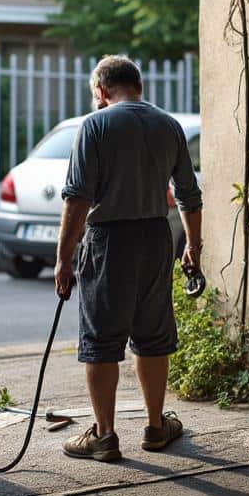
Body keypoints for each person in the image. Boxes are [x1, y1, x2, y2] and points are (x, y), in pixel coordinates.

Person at [54, 55, 203, 462]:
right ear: (137, 85)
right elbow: (189, 194)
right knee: (152, 335)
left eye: (95, 95)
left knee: (101, 339)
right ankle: (156, 427)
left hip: (108, 241)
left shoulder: (95, 125)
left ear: (101, 91)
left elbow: (78, 198)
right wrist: (193, 244)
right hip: (156, 237)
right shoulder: (167, 124)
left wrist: (63, 258)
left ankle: (104, 436)